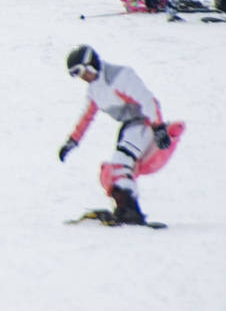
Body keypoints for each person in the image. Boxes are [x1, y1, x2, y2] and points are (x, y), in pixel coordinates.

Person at [60, 45, 179, 226]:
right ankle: (125, 208)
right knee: (116, 168)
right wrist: (72, 141)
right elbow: (86, 117)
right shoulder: (94, 90)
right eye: (75, 75)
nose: (81, 77)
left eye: (80, 71)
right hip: (130, 126)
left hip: (144, 123)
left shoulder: (120, 76)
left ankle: (130, 211)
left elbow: (148, 100)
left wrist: (158, 127)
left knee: (120, 164)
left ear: (91, 64)